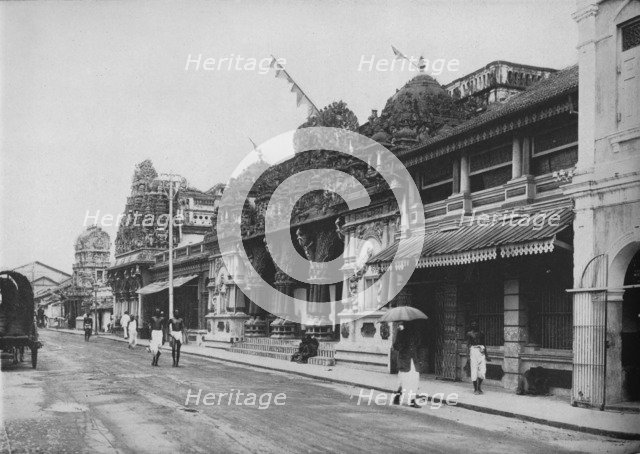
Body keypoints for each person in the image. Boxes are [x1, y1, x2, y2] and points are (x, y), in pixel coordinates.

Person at [392, 321, 421, 407]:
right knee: (403, 379)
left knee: (414, 379)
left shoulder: (415, 331)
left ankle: (410, 400)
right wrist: (400, 333)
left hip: (413, 360)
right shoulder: (401, 330)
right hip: (404, 360)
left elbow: (418, 343)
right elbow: (396, 346)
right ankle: (398, 397)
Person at [466, 320, 490, 395]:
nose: (474, 325)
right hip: (473, 351)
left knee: (482, 371)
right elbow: (468, 345)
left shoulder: (481, 333)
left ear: (478, 325)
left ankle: (479, 386)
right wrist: (468, 356)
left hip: (481, 351)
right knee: (474, 370)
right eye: (472, 324)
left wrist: (487, 355)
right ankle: (475, 389)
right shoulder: (469, 334)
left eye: (475, 324)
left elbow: (484, 344)